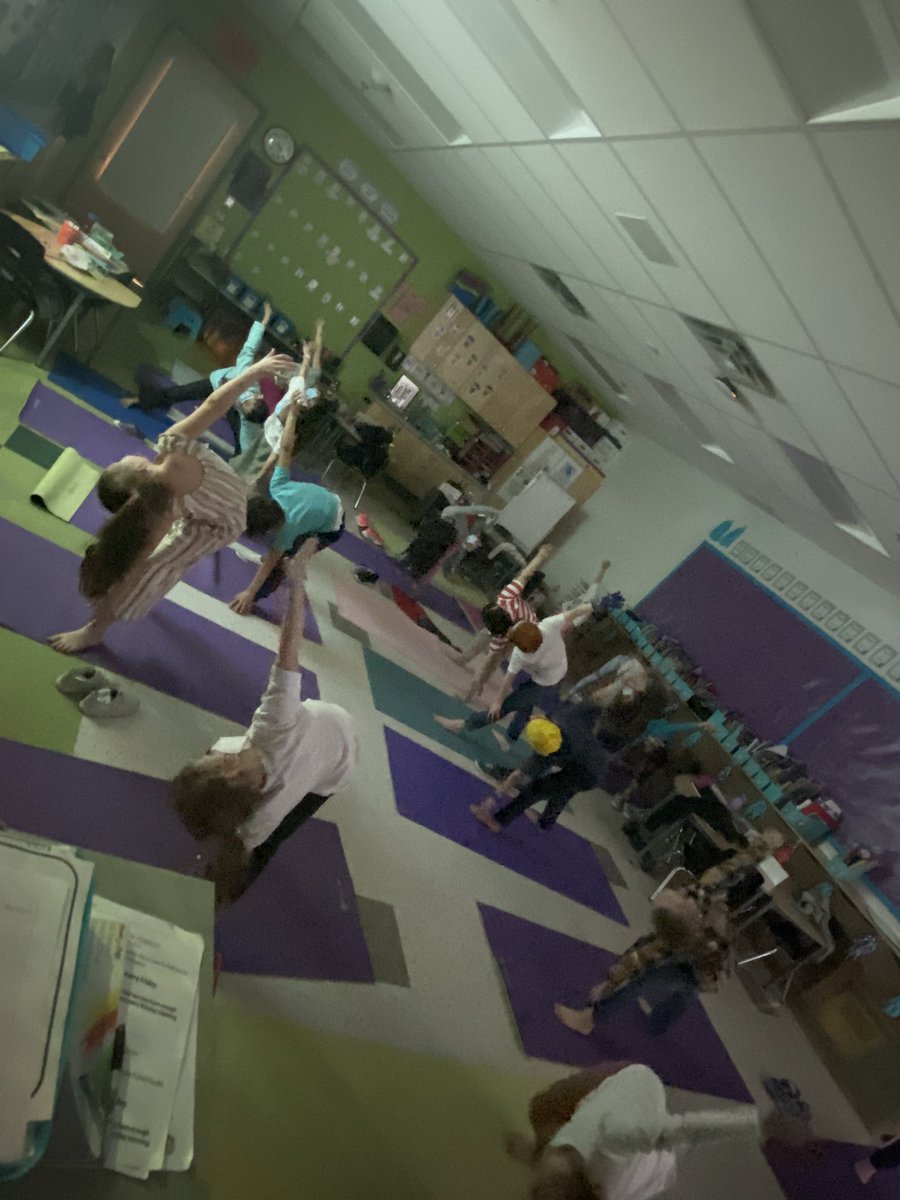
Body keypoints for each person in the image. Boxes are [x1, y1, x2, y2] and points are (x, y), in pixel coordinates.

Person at [48, 352, 294, 655]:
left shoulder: (169, 457)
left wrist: (255, 371)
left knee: (153, 563)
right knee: (155, 567)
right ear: (137, 471)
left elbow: (214, 405)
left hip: (228, 500)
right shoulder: (165, 484)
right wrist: (255, 371)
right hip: (220, 526)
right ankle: (95, 630)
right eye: (120, 461)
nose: (123, 455)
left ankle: (124, 602)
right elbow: (213, 405)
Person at [171, 545, 358, 905]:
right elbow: (289, 647)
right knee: (251, 833)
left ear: (229, 768)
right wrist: (298, 581)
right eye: (208, 758)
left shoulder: (266, 810)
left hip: (336, 765)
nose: (211, 753)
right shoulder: (275, 722)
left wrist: (220, 893)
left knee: (270, 841)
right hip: (323, 737)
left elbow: (289, 645)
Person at [511, 1061, 762, 1200]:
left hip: (630, 1084)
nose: (551, 1155)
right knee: (545, 1112)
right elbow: (689, 1129)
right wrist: (760, 1123)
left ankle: (539, 1150)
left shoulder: (610, 1137)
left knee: (542, 1108)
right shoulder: (619, 1137)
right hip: (641, 1090)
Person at [554, 887, 735, 1039]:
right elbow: (641, 946)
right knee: (684, 993)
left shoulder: (691, 939)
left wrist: (608, 984)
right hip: (700, 945)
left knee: (650, 980)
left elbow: (639, 959)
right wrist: (609, 981)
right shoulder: (695, 897)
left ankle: (589, 1020)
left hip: (708, 967)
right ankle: (659, 1025)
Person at [435, 595, 609, 744]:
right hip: (556, 669)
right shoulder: (547, 625)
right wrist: (595, 605)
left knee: (507, 706)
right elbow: (575, 612)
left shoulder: (521, 655)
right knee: (525, 702)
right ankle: (510, 739)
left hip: (547, 680)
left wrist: (497, 703)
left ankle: (463, 725)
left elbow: (507, 680)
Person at [229, 394, 344, 614]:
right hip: (322, 499)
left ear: (271, 529)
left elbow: (269, 565)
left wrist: (249, 593)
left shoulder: (286, 531)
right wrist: (291, 414)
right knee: (280, 552)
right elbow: (286, 447)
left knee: (281, 563)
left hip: (333, 526)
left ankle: (258, 597)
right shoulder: (277, 486)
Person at [122, 302, 277, 453]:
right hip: (216, 384)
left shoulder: (246, 416)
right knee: (180, 392)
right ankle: (142, 401)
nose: (245, 403)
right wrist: (264, 321)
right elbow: (251, 345)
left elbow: (247, 436)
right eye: (247, 402)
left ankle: (240, 464)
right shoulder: (246, 376)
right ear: (258, 395)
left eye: (246, 406)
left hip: (229, 404)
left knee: (241, 441)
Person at [470, 706, 611, 833]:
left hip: (587, 773)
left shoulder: (557, 744)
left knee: (535, 790)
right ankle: (546, 821)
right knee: (560, 790)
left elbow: (517, 775)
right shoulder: (561, 719)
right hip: (590, 765)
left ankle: (497, 822)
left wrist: (491, 800)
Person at [454, 543, 554, 701]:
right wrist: (540, 557)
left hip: (525, 631)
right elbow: (525, 575)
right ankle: (465, 658)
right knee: (483, 640)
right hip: (518, 623)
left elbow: (488, 662)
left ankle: (471, 691)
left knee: (493, 660)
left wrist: (478, 682)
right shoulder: (506, 597)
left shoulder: (507, 631)